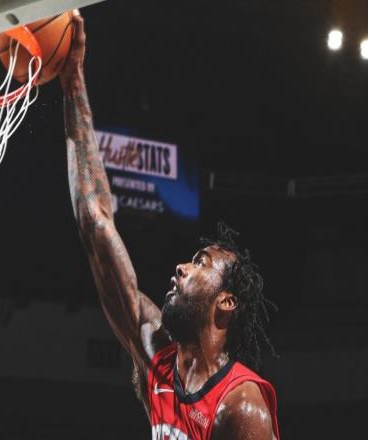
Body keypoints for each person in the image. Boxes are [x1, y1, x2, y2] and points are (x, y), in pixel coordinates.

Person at [60, 12, 280, 440]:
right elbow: (95, 222)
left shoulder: (241, 406)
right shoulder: (156, 355)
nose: (181, 267)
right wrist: (73, 84)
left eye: (201, 263)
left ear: (227, 301)